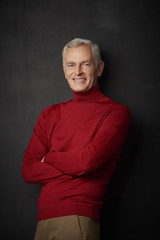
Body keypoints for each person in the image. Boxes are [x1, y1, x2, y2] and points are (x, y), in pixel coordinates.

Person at [22, 38, 131, 240]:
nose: (78, 72)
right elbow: (28, 170)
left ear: (99, 68)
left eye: (86, 64)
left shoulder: (115, 113)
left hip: (78, 218)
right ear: (64, 70)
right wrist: (77, 170)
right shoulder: (50, 114)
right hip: (43, 219)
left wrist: (50, 158)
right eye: (71, 65)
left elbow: (87, 162)